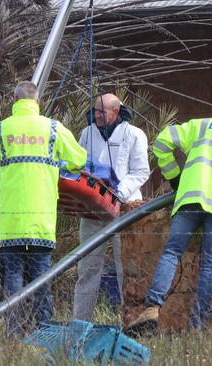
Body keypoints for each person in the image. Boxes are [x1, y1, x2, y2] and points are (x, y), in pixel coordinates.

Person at [125, 98, 212, 335]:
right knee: (209, 264)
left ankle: (152, 308)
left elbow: (162, 142)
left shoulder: (203, 125)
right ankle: (196, 327)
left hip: (191, 198)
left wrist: (174, 177)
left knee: (172, 252)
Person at [0, 81, 87, 336]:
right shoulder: (53, 128)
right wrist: (60, 162)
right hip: (42, 219)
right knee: (41, 275)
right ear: (37, 101)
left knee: (13, 275)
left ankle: (14, 331)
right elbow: (79, 159)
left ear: (14, 98)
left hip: (12, 220)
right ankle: (44, 329)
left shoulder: (1, 129)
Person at [72, 93, 150, 321]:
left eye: (102, 111)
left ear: (116, 112)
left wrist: (118, 193)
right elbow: (79, 165)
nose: (96, 115)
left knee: (126, 269)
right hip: (92, 211)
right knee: (87, 269)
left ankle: (131, 322)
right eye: (95, 110)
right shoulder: (86, 134)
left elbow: (141, 171)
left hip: (124, 210)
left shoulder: (134, 134)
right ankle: (80, 323)